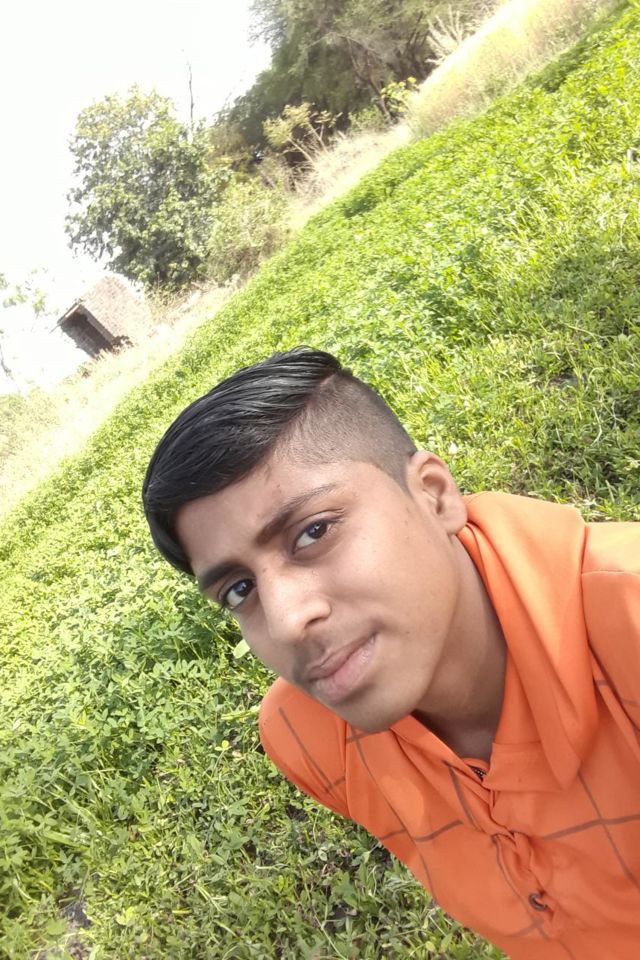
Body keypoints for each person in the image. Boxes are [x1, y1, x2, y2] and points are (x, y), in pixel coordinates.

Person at [142, 347, 640, 960]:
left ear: (434, 495)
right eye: (240, 590)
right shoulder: (308, 736)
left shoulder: (627, 624)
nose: (288, 621)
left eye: (313, 532)